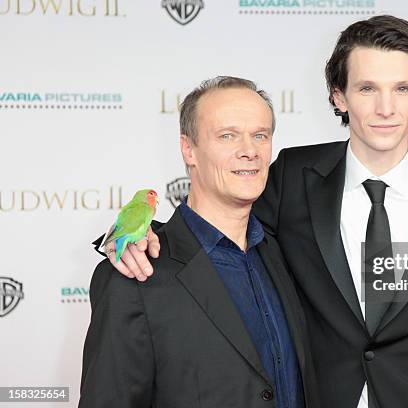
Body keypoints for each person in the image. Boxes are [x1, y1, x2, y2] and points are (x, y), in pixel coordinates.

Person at [98, 16, 408, 408]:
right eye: (367, 88)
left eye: (401, 89)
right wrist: (136, 235)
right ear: (339, 97)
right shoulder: (292, 176)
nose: (385, 108)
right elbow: (220, 225)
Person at [79, 77, 318, 408]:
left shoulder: (286, 255)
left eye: (260, 136)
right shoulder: (136, 275)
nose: (249, 151)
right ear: (188, 149)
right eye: (227, 136)